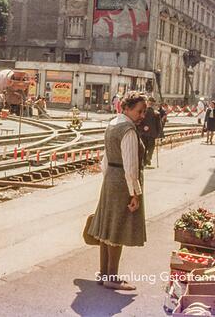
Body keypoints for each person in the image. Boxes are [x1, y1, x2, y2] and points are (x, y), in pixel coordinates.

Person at [87, 91, 147, 291]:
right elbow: (130, 166)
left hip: (110, 179)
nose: (142, 115)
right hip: (122, 181)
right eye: (139, 111)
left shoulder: (112, 124)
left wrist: (108, 179)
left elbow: (104, 159)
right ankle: (112, 277)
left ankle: (104, 274)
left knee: (106, 228)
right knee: (117, 230)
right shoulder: (128, 130)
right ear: (127, 108)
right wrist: (135, 193)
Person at [138, 97, 161, 167]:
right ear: (153, 104)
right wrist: (158, 134)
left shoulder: (143, 112)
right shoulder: (156, 113)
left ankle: (144, 160)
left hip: (143, 133)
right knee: (151, 147)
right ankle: (149, 157)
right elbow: (159, 125)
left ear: (147, 103)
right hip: (152, 134)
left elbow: (139, 122)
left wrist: (142, 129)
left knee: (144, 147)